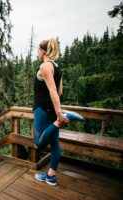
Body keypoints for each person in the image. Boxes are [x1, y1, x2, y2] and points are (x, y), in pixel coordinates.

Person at [33, 38, 84, 186]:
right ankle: (51, 177)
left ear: (44, 51)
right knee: (55, 144)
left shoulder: (45, 66)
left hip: (42, 109)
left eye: (38, 50)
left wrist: (59, 115)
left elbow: (53, 90)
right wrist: (57, 110)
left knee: (39, 143)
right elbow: (60, 91)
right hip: (52, 109)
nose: (37, 53)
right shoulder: (57, 67)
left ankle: (62, 118)